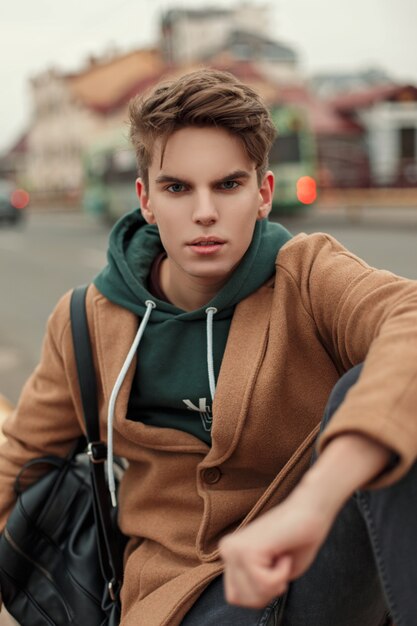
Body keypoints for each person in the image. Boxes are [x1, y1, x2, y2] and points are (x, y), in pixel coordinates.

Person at [1, 68, 417, 626]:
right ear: (146, 200)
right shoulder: (88, 319)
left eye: (227, 185)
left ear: (263, 193)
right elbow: (20, 456)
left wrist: (317, 503)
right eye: (177, 188)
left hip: (314, 574)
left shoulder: (310, 275)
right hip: (174, 602)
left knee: (384, 390)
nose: (204, 212)